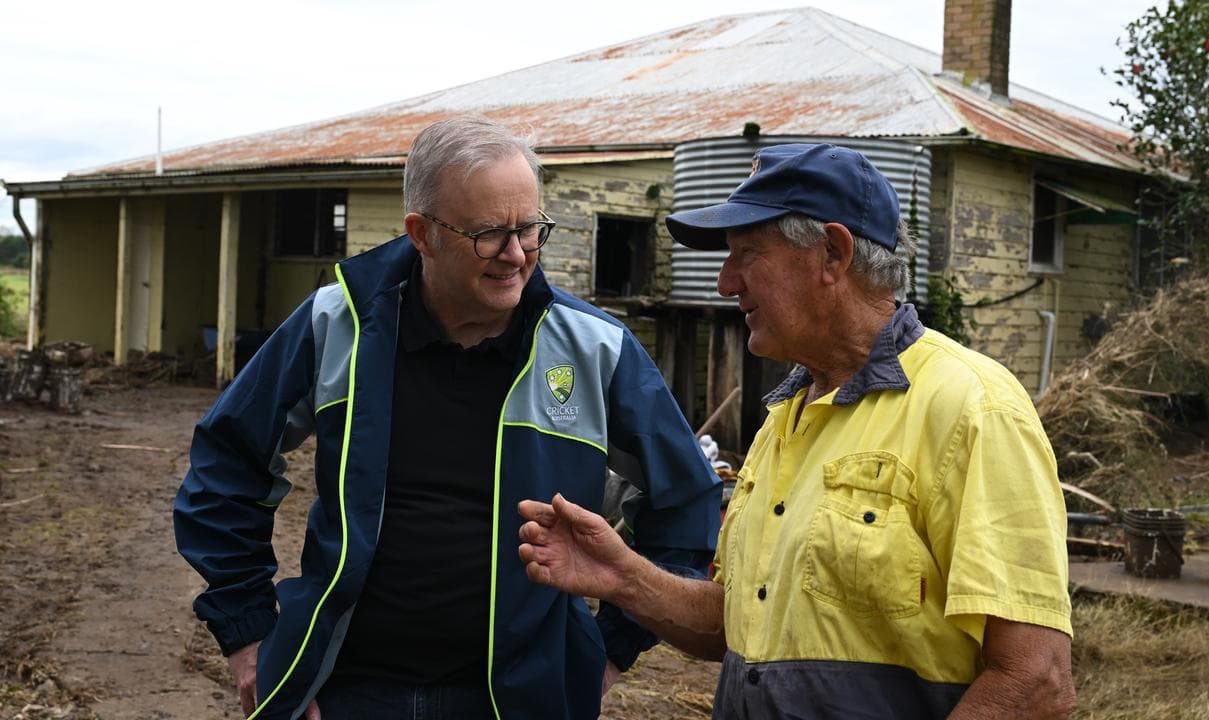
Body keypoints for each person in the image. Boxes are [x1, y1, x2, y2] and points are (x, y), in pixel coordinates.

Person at [173, 116, 722, 720]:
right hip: (348, 690)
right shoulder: (340, 324)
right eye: (489, 234)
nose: (516, 255)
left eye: (530, 229)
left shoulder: (593, 349)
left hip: (521, 698)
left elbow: (687, 501)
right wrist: (248, 633)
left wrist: (610, 650)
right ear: (422, 234)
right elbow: (228, 460)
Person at [518, 143, 1077, 719]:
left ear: (832, 254)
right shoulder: (787, 419)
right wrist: (623, 576)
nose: (724, 283)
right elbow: (738, 625)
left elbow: (1035, 681)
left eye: (747, 254)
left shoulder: (971, 407)